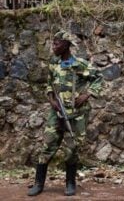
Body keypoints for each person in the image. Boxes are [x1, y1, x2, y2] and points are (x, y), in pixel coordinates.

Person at [28, 30, 103, 196]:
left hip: (76, 115)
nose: (53, 46)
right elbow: (48, 84)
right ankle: (38, 184)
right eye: (53, 43)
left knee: (72, 149)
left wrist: (87, 94)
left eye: (57, 43)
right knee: (47, 146)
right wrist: (51, 100)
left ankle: (70, 183)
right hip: (56, 113)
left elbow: (99, 77)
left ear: (67, 45)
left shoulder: (80, 64)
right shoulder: (53, 63)